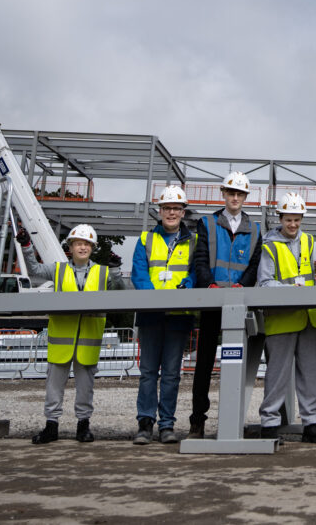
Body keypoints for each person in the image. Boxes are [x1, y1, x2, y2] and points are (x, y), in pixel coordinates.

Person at [19, 223, 126, 444]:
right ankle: (51, 426)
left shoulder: (102, 272)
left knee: (85, 388)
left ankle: (83, 426)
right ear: (71, 246)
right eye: (78, 243)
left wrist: (115, 269)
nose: (82, 247)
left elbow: (119, 293)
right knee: (53, 387)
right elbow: (35, 271)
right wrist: (27, 246)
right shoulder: (58, 270)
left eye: (87, 244)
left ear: (92, 248)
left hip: (88, 342)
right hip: (61, 342)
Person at [256, 192, 316, 444]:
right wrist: (291, 291)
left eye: (297, 220)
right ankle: (269, 423)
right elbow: (264, 282)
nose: (293, 225)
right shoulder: (268, 245)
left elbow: (315, 275)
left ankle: (312, 423)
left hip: (308, 317)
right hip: (281, 317)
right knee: (277, 373)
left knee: (311, 373)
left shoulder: (310, 241)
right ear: (280, 218)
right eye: (288, 220)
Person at [188, 171, 261, 439]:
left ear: (245, 197)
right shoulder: (207, 223)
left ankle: (234, 420)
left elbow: (254, 265)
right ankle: (198, 421)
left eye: (239, 193)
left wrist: (243, 287)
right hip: (212, 301)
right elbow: (201, 259)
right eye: (231, 192)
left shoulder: (254, 229)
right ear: (223, 194)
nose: (235, 197)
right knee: (204, 364)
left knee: (237, 363)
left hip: (239, 304)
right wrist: (211, 287)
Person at [131, 185, 196, 445]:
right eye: (167, 208)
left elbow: (195, 272)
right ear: (160, 211)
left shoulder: (194, 241)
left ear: (183, 212)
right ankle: (145, 424)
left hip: (179, 314)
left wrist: (186, 288)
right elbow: (139, 274)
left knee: (171, 373)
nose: (171, 213)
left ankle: (167, 425)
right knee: (148, 372)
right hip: (151, 314)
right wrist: (156, 298)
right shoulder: (146, 239)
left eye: (176, 209)